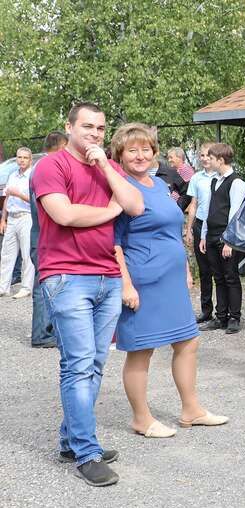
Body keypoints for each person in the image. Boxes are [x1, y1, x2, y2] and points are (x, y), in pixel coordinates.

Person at [34, 102, 145, 486]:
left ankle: (71, 440)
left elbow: (135, 205)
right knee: (79, 364)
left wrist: (106, 170)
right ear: (69, 127)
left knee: (95, 363)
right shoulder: (51, 166)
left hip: (108, 277)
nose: (95, 134)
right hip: (67, 277)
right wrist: (111, 211)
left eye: (100, 128)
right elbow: (64, 214)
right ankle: (86, 451)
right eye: (87, 127)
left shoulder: (106, 166)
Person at [110, 123, 228, 438]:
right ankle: (141, 418)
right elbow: (113, 242)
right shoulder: (120, 187)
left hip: (172, 278)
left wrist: (186, 268)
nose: (139, 155)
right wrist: (125, 284)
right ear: (120, 154)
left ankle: (191, 409)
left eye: (145, 149)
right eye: (132, 150)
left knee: (188, 341)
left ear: (154, 153)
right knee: (141, 349)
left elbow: (172, 230)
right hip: (143, 280)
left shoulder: (160, 184)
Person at [199, 143, 245, 334]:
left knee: (231, 276)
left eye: (211, 158)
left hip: (226, 236)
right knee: (218, 277)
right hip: (211, 235)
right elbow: (208, 209)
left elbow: (235, 213)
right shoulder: (214, 181)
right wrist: (203, 235)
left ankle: (234, 317)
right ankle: (221, 317)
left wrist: (229, 241)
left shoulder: (236, 183)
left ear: (220, 160)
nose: (208, 161)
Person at [29, 132, 69, 348]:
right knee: (43, 284)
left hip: (40, 235)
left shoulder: (41, 167)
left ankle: (47, 329)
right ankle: (42, 334)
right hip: (43, 237)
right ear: (61, 146)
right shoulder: (44, 168)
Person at [185, 142, 217, 323]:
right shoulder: (197, 178)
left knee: (220, 271)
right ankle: (206, 310)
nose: (205, 159)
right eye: (202, 155)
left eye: (208, 155)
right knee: (204, 271)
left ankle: (224, 311)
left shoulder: (222, 176)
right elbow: (193, 204)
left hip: (217, 226)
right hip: (200, 224)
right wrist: (189, 229)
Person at [0, 147, 35, 299]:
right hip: (12, 218)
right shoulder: (13, 175)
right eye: (19, 157)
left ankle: (26, 287)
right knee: (6, 253)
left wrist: (18, 194)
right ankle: (3, 287)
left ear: (30, 160)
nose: (21, 160)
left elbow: (34, 200)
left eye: (25, 158)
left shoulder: (32, 176)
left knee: (27, 253)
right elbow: (7, 198)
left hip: (26, 217)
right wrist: (3, 219)